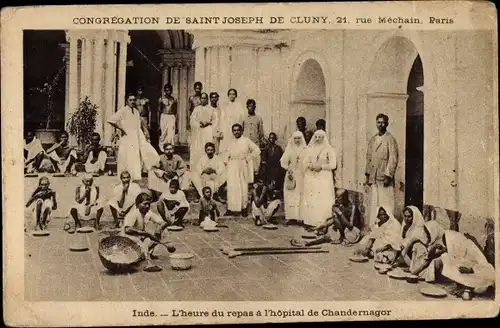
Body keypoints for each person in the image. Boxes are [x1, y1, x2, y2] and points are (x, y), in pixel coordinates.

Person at [413, 227, 495, 299]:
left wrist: (471, 269)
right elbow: (433, 257)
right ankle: (464, 288)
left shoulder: (469, 246)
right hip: (468, 278)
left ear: (452, 242)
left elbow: (486, 266)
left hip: (480, 278)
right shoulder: (456, 248)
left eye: (448, 245)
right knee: (445, 256)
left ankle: (468, 289)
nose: (448, 247)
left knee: (479, 289)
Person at [107, 94, 160, 181]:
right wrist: (121, 128)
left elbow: (138, 125)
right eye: (130, 100)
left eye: (133, 100)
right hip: (127, 136)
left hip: (136, 135)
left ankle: (134, 175)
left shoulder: (136, 111)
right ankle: (125, 175)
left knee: (136, 154)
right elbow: (111, 120)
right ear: (126, 101)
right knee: (126, 155)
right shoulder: (123, 110)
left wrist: (143, 135)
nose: (132, 102)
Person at [290, 189, 362, 247]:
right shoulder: (340, 205)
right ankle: (308, 243)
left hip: (352, 234)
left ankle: (340, 239)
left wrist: (339, 213)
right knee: (327, 231)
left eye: (339, 197)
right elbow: (334, 220)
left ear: (345, 197)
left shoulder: (352, 208)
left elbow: (350, 226)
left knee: (328, 234)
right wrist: (322, 226)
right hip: (342, 230)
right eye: (336, 196)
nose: (337, 199)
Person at [365, 113, 399, 228]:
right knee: (375, 202)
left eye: (383, 122)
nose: (381, 125)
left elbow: (393, 159)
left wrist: (388, 176)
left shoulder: (390, 139)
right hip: (374, 177)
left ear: (387, 124)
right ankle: (375, 228)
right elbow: (369, 158)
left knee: (386, 203)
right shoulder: (373, 139)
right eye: (378, 122)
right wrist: (367, 175)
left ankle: (388, 228)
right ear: (376, 123)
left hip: (384, 177)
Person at [122, 192, 175, 262]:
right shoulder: (133, 214)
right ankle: (143, 254)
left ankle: (147, 252)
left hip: (140, 238)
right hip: (130, 240)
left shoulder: (148, 213)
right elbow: (127, 230)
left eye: (148, 204)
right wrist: (145, 234)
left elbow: (163, 223)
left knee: (162, 231)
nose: (147, 206)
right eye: (145, 204)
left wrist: (159, 229)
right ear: (137, 205)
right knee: (140, 253)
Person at [223, 123, 261, 216]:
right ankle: (231, 208)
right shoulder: (230, 142)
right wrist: (225, 162)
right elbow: (226, 154)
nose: (236, 132)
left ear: (241, 131)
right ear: (232, 132)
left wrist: (249, 157)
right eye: (234, 130)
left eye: (238, 130)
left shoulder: (246, 140)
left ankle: (244, 208)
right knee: (232, 187)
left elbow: (257, 150)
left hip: (243, 165)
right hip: (232, 165)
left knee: (243, 187)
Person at [302, 130, 337, 229]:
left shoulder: (329, 149)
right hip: (312, 177)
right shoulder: (310, 149)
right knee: (313, 199)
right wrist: (311, 165)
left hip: (324, 177)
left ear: (324, 138)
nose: (317, 139)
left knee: (322, 199)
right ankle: (311, 222)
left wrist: (321, 166)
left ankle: (322, 222)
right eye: (316, 137)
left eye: (320, 137)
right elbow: (305, 162)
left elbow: (333, 164)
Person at [280, 131, 307, 225]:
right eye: (295, 138)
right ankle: (291, 217)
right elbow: (283, 162)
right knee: (291, 195)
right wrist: (288, 169)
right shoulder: (290, 150)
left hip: (302, 175)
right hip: (291, 175)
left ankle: (301, 217)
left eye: (299, 138)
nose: (297, 140)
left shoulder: (305, 149)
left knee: (301, 195)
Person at [190, 92, 218, 167]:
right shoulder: (196, 109)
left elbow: (215, 120)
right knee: (198, 148)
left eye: (205, 98)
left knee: (207, 146)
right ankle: (198, 166)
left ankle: (208, 165)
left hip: (208, 131)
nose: (203, 100)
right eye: (202, 98)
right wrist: (199, 123)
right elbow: (192, 120)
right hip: (199, 131)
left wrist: (208, 123)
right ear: (200, 99)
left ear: (207, 99)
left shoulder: (212, 109)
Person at [218, 89, 245, 155]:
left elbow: (241, 120)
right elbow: (221, 119)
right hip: (226, 130)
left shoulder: (239, 106)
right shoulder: (224, 106)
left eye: (233, 94)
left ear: (235, 96)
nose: (232, 96)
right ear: (228, 95)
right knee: (225, 147)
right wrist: (221, 131)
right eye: (230, 94)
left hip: (235, 130)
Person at [158, 83, 178, 149]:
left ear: (171, 91)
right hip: (163, 117)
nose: (168, 92)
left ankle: (170, 148)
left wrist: (176, 124)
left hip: (171, 117)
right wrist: (158, 124)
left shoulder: (174, 100)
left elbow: (175, 112)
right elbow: (159, 111)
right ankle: (162, 149)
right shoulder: (161, 99)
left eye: (169, 90)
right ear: (164, 90)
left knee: (171, 134)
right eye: (166, 90)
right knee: (163, 134)